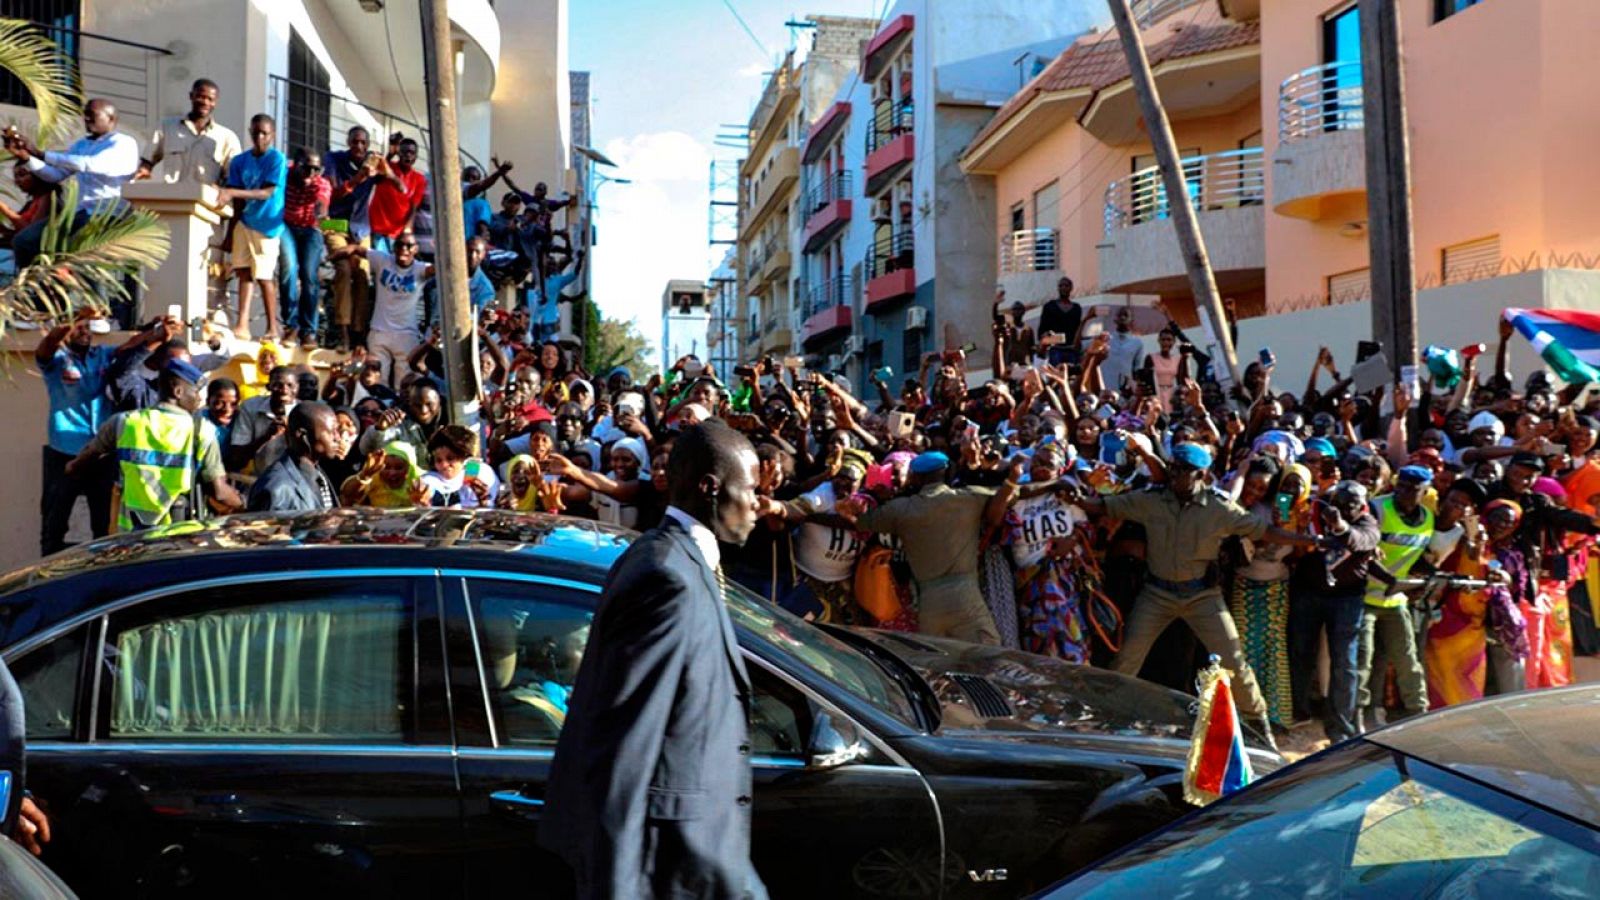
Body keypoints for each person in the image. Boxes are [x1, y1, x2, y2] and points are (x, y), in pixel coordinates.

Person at [541, 421, 773, 899]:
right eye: (750, 489)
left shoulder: (676, 560)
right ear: (710, 488)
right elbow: (624, 744)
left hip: (707, 853)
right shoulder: (667, 578)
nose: (758, 503)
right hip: (670, 864)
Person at [1073, 443, 1316, 746]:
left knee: (1234, 660)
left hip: (1203, 597)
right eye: (1174, 467)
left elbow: (1264, 531)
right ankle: (1108, 718)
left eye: (1184, 470)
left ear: (1201, 474)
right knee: (1127, 659)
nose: (1176, 474)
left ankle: (1259, 724)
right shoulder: (1152, 501)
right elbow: (1107, 507)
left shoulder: (1219, 508)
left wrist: (1308, 539)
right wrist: (1076, 498)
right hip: (1157, 594)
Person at [841, 451, 1019, 644]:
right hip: (966, 596)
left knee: (937, 662)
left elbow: (860, 522)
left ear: (915, 477)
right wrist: (1012, 481)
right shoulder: (969, 498)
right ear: (946, 471)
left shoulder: (900, 509)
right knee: (986, 654)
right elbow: (1013, 494)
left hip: (929, 600)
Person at [65, 358, 241, 530]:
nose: (199, 399)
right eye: (195, 392)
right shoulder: (202, 431)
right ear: (178, 391)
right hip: (178, 536)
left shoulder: (124, 423)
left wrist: (71, 467)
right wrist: (244, 504)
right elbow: (220, 492)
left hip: (130, 538)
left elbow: (77, 466)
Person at [6, 98, 141, 272]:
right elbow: (55, 174)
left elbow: (89, 164)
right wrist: (27, 157)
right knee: (24, 241)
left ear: (111, 119)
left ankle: (92, 298)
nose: (86, 119)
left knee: (81, 258)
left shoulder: (123, 143)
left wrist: (40, 153)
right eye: (85, 115)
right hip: (80, 213)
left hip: (105, 214)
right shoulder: (82, 144)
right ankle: (37, 291)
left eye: (92, 115)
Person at [1357, 465, 1436, 725]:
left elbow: (1417, 557)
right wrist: (1390, 580)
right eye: (1400, 486)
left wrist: (1425, 579)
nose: (1403, 493)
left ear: (1424, 492)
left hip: (1395, 600)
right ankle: (1356, 716)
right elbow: (1363, 553)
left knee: (1407, 660)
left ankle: (1418, 714)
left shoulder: (1428, 519)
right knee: (1362, 662)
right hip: (1364, 596)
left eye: (1412, 489)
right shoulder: (1378, 508)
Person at [36, 309, 117, 555]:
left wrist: (154, 332)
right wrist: (74, 316)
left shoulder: (103, 356)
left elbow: (131, 351)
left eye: (88, 327)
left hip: (100, 454)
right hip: (64, 452)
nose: (85, 332)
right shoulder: (55, 358)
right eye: (79, 327)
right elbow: (48, 344)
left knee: (103, 526)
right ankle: (45, 579)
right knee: (54, 523)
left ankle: (100, 577)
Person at [217, 114, 287, 340]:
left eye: (264, 133)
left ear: (272, 135)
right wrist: (230, 233)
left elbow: (266, 192)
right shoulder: (239, 161)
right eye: (256, 132)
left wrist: (231, 192)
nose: (259, 137)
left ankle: (272, 328)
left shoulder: (277, 159)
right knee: (243, 272)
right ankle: (242, 324)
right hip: (244, 222)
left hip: (267, 226)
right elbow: (237, 202)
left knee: (265, 277)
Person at [329, 233, 432, 386]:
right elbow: (357, 249)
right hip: (379, 332)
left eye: (409, 246)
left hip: (406, 335)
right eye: (399, 245)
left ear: (416, 249)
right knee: (376, 383)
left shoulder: (421, 269)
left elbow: (443, 268)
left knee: (403, 385)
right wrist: (331, 257)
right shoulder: (382, 259)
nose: (404, 249)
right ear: (394, 248)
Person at [324, 126, 376, 349]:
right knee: (344, 270)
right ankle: (343, 332)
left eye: (363, 143)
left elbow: (398, 185)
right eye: (355, 142)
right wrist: (359, 178)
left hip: (361, 229)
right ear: (348, 141)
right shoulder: (334, 160)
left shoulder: (373, 164)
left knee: (363, 273)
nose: (359, 146)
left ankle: (358, 334)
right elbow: (333, 193)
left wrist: (387, 159)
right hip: (334, 223)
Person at [138, 77, 240, 184]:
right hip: (172, 196)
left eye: (210, 99)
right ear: (191, 96)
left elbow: (232, 177)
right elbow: (147, 160)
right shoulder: (167, 127)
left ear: (215, 102)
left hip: (207, 198)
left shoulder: (227, 137)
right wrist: (144, 170)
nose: (205, 102)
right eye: (201, 97)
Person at [278, 148, 330, 348]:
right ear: (296, 164)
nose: (311, 174)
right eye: (307, 168)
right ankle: (291, 325)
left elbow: (322, 202)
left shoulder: (320, 182)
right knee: (289, 269)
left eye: (316, 169)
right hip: (286, 226)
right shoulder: (284, 174)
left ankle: (309, 331)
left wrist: (321, 211)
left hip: (311, 229)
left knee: (309, 276)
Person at [248, 402, 340, 512]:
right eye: (331, 432)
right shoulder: (276, 488)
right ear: (303, 436)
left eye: (337, 431)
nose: (337, 438)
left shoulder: (317, 473)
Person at [367, 135, 427, 251]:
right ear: (399, 153)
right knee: (380, 265)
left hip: (398, 233)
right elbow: (378, 174)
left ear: (416, 156)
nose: (408, 155)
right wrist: (390, 154)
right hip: (379, 227)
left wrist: (408, 228)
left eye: (411, 152)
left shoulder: (419, 179)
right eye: (404, 151)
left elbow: (414, 206)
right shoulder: (389, 168)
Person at [1036, 276, 1082, 365]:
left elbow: (1078, 329)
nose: (1063, 288)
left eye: (1066, 285)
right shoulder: (1049, 306)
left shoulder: (1076, 308)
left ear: (1071, 288)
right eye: (1061, 286)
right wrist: (1050, 339)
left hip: (1071, 349)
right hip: (1055, 349)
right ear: (1058, 288)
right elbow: (1042, 331)